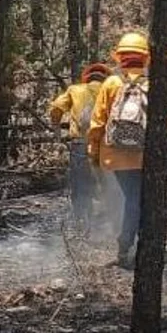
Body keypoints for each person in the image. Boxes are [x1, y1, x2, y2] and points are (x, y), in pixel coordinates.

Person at [87, 33, 167, 269]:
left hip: (115, 156)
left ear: (120, 58)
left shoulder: (111, 83)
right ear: (145, 59)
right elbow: (165, 120)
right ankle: (127, 245)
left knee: (133, 199)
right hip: (144, 156)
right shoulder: (151, 85)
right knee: (136, 200)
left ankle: (129, 245)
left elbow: (98, 121)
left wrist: (93, 150)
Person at [49, 64, 111, 228]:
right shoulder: (112, 90)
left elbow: (56, 108)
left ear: (86, 77)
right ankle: (110, 224)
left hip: (80, 144)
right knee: (110, 185)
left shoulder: (74, 90)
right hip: (107, 145)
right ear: (105, 77)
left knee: (80, 185)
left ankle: (81, 224)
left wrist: (56, 130)